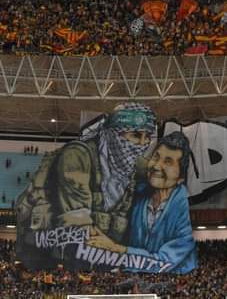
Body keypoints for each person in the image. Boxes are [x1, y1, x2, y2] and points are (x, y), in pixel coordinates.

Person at [15, 102, 157, 269]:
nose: (142, 143)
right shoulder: (77, 156)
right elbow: (77, 223)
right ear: (113, 133)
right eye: (135, 135)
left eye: (147, 136)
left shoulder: (132, 164)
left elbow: (163, 174)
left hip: (97, 255)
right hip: (48, 249)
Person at [86, 131, 197, 274]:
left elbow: (162, 263)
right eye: (156, 157)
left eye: (168, 162)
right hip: (130, 275)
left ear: (181, 177)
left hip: (171, 279)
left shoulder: (183, 218)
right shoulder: (137, 194)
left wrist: (117, 249)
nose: (156, 166)